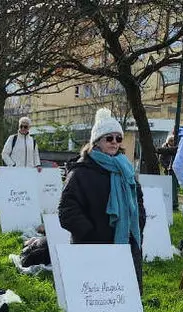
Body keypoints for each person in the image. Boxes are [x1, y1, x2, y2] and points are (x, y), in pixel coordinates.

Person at [58, 108, 146, 291]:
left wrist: (138, 223)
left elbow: (138, 201)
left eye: (118, 138)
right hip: (92, 247)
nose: (114, 142)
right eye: (109, 138)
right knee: (95, 297)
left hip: (125, 244)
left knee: (123, 295)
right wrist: (91, 234)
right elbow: (67, 211)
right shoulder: (80, 172)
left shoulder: (126, 170)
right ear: (96, 142)